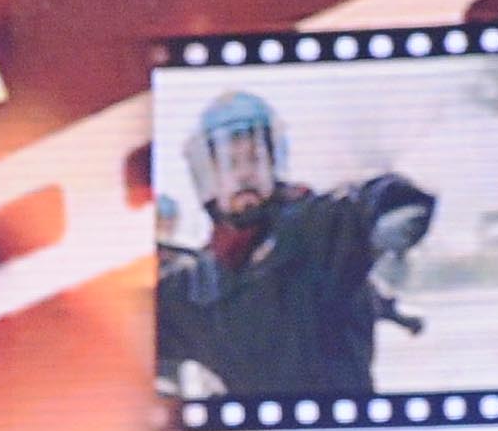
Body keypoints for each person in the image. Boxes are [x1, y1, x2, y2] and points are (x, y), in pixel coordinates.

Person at [157, 89, 436, 397]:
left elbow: (365, 206)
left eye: (255, 159)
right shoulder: (199, 285)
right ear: (208, 175)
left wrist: (390, 210)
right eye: (230, 163)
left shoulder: (313, 229)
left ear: (274, 162)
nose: (245, 174)